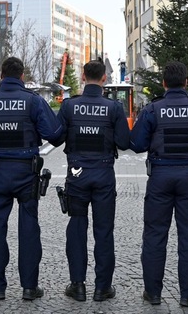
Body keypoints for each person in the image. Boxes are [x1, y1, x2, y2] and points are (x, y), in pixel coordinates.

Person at [0, 56, 63, 301]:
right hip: (26, 172)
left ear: (1, 75)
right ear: (22, 76)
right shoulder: (33, 101)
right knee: (29, 229)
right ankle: (29, 287)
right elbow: (54, 135)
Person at [130, 61, 188, 307]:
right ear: (186, 82)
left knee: (154, 235)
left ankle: (153, 293)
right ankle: (187, 296)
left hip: (160, 176)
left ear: (163, 83)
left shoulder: (153, 109)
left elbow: (137, 144)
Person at [52, 59, 130, 302]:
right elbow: (125, 142)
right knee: (104, 231)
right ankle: (102, 288)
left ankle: (77, 286)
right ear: (104, 78)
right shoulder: (114, 108)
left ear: (83, 77)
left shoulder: (69, 106)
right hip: (104, 174)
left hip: (77, 174)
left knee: (77, 228)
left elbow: (55, 138)